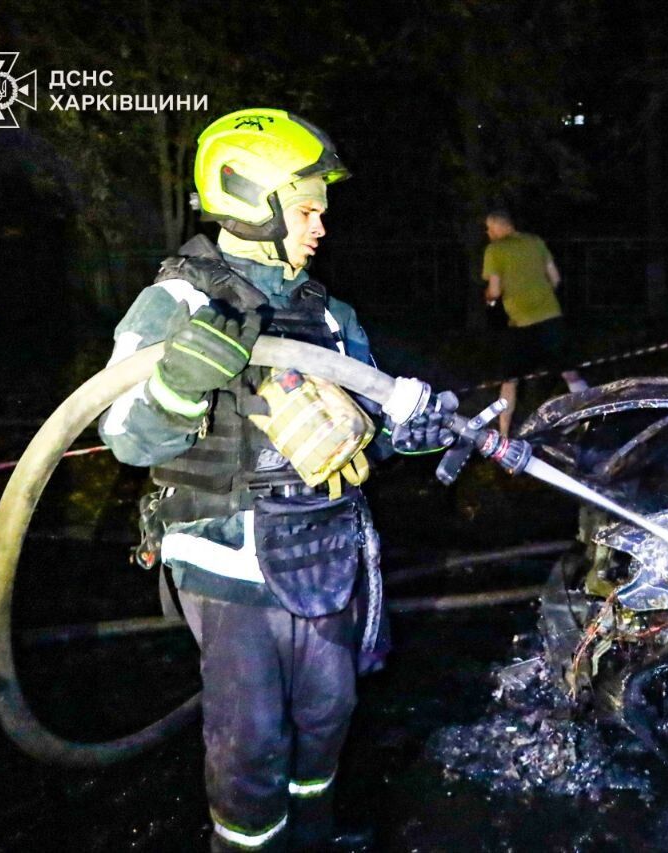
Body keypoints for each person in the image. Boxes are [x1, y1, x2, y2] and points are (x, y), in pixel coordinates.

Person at [100, 108, 454, 852]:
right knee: (251, 739)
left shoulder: (330, 315)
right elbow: (127, 439)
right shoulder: (179, 303)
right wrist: (177, 385)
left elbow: (368, 427)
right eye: (305, 209)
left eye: (321, 209)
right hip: (229, 559)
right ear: (246, 198)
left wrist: (407, 432)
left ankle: (314, 835)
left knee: (328, 712)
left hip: (327, 548)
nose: (321, 225)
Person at [481, 210, 587, 436]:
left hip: (520, 325)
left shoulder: (495, 250)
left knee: (510, 381)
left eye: (489, 228)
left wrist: (489, 299)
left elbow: (495, 290)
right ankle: (589, 419)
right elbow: (556, 278)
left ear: (498, 227)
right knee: (570, 373)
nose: (487, 233)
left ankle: (504, 435)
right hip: (550, 317)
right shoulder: (535, 241)